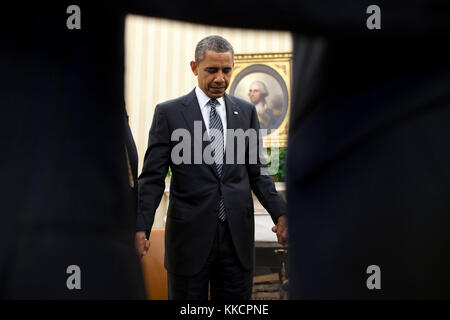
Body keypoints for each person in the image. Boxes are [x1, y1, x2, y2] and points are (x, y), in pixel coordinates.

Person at [136, 35, 288, 300]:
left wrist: (282, 214)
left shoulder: (246, 112)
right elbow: (152, 178)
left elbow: (258, 173)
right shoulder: (169, 113)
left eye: (226, 70)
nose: (220, 78)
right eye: (212, 70)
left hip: (236, 240)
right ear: (195, 68)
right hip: (188, 240)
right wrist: (140, 227)